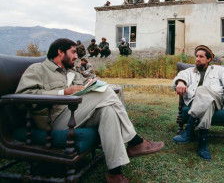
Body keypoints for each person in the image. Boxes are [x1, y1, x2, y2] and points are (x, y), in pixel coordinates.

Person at [15, 38, 164, 183]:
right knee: (105, 92)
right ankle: (134, 141)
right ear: (60, 52)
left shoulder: (72, 72)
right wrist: (63, 92)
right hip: (53, 120)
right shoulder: (38, 69)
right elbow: (21, 97)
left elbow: (85, 86)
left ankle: (114, 173)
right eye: (73, 52)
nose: (76, 56)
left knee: (108, 110)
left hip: (75, 114)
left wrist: (90, 84)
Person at [172, 45, 224, 160]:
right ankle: (202, 145)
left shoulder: (220, 70)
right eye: (196, 56)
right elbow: (181, 76)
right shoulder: (189, 71)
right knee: (207, 103)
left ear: (209, 59)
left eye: (201, 56)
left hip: (217, 100)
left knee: (202, 89)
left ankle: (189, 129)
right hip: (197, 102)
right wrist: (180, 83)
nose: (197, 59)